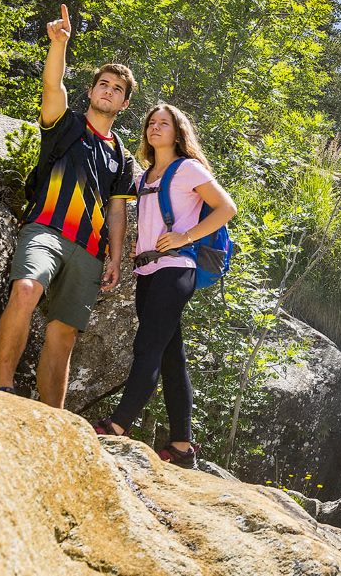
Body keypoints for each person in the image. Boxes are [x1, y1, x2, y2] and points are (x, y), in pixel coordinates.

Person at [0, 4, 137, 408]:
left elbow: (117, 211)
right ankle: (2, 390)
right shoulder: (67, 124)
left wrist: (114, 257)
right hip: (45, 229)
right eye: (103, 84)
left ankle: (53, 417)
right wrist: (59, 44)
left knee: (65, 332)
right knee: (25, 289)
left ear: (124, 104)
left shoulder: (122, 158)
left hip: (89, 251)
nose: (108, 91)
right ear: (91, 91)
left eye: (117, 89)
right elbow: (52, 87)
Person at [94, 102, 236, 468]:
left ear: (178, 132)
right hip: (147, 272)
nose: (155, 128)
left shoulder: (188, 168)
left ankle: (118, 425)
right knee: (172, 357)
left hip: (176, 269)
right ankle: (182, 447)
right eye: (151, 123)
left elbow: (226, 208)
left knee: (148, 346)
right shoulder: (143, 178)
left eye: (164, 123)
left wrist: (184, 235)